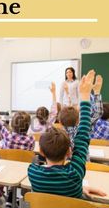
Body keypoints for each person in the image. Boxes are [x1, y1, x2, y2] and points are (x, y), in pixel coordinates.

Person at [28, 70, 106, 200]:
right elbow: (83, 135)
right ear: (70, 152)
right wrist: (86, 95)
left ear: (41, 151)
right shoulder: (75, 173)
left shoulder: (33, 173)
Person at [59, 75, 103, 144]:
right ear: (78, 120)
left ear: (60, 122)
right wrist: (97, 92)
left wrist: (67, 93)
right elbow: (97, 113)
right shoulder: (83, 129)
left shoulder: (57, 136)